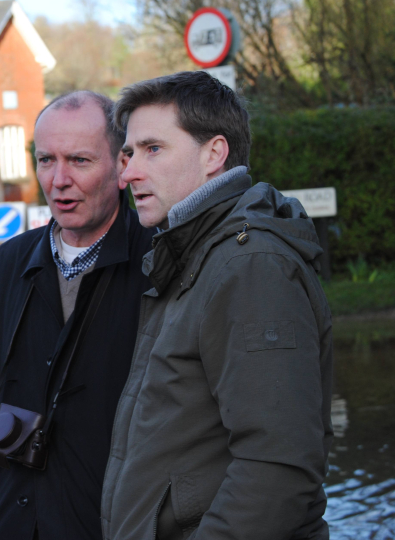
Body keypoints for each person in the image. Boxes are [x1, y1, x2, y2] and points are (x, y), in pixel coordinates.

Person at [101, 71, 333, 539]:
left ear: (214, 153)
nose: (127, 174)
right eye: (129, 154)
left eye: (152, 149)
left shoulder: (250, 266)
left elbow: (278, 469)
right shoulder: (194, 255)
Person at [0, 91, 155, 540]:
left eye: (79, 161)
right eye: (46, 160)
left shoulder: (156, 261)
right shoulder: (10, 261)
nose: (58, 180)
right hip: (5, 522)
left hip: (111, 525)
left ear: (121, 165)